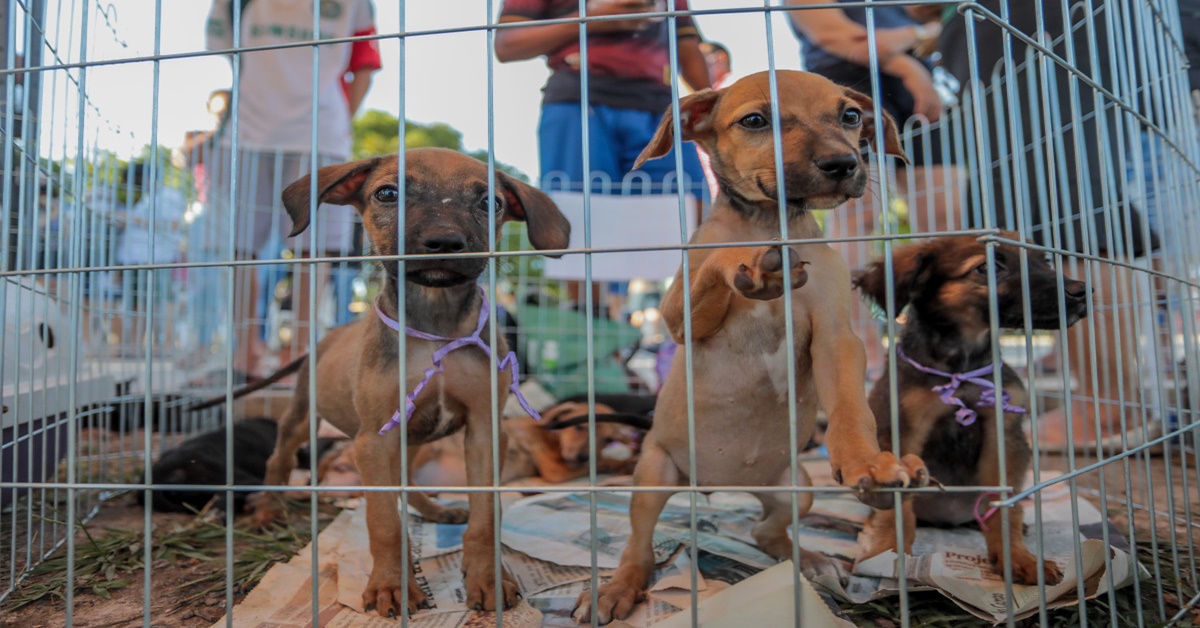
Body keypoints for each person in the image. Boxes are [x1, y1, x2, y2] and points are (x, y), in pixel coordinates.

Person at [936, 0, 1163, 451]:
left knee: (1071, 206)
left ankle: (1107, 408)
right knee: (1046, 201)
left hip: (1034, 23)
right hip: (1011, 29)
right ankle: (1105, 402)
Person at [494, 0, 713, 320]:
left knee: (696, 213)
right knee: (576, 218)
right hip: (578, 98)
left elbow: (687, 46)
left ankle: (699, 317)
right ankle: (593, 330)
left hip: (658, 104)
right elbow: (507, 43)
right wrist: (592, 19)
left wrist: (718, 108)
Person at [205, 0, 380, 381]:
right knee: (240, 247)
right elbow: (230, 51)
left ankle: (298, 354)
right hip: (247, 132)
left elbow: (364, 64)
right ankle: (245, 352)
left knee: (312, 249)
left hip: (319, 132)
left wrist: (340, 123)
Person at [787, 0, 963, 378]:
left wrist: (909, 43)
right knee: (857, 219)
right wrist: (909, 56)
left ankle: (945, 342)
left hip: (920, 92)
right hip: (847, 91)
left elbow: (928, 26)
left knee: (945, 219)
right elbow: (840, 38)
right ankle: (858, 346)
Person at [112, 161, 188, 354]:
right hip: (137, 260)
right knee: (139, 304)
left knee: (161, 302)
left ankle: (166, 346)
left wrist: (131, 218)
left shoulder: (168, 196)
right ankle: (135, 346)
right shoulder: (147, 199)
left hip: (156, 259)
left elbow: (172, 225)